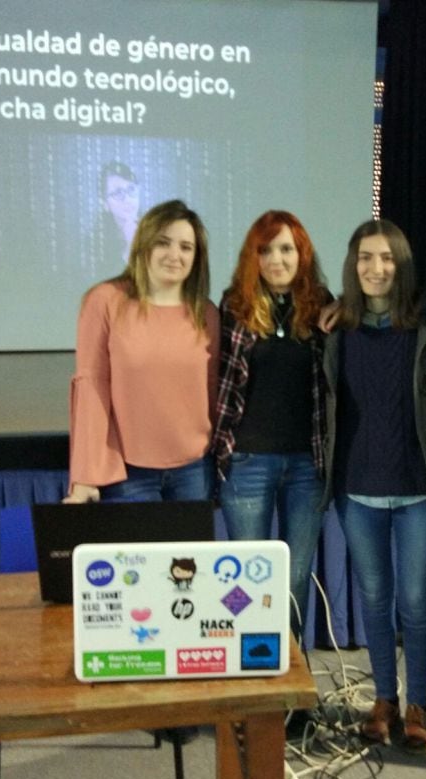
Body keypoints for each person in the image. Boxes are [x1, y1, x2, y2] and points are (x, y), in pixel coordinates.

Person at [322, 219, 426, 752]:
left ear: (403, 263)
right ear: (353, 266)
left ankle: (417, 702)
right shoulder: (336, 326)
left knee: (416, 600)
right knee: (375, 598)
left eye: (388, 258)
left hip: (419, 487)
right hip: (359, 488)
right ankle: (384, 699)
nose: (376, 268)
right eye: (365, 258)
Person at [212, 210, 331, 640]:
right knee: (244, 582)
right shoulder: (233, 306)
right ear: (253, 256)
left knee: (294, 581)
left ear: (302, 254)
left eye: (286, 249)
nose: (277, 259)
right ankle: (252, 683)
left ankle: (291, 691)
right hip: (247, 464)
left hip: (306, 466)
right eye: (266, 250)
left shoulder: (322, 307)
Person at [64, 198, 219, 504]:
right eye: (163, 243)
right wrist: (84, 475)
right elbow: (92, 390)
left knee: (187, 554)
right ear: (143, 245)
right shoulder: (105, 301)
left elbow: (213, 394)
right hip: (128, 474)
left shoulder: (208, 313)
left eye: (186, 247)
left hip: (195, 471)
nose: (175, 255)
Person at [93, 160, 141, 275]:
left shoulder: (157, 230)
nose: (128, 199)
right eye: (118, 193)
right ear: (105, 203)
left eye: (131, 190)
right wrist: (130, 246)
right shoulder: (96, 242)